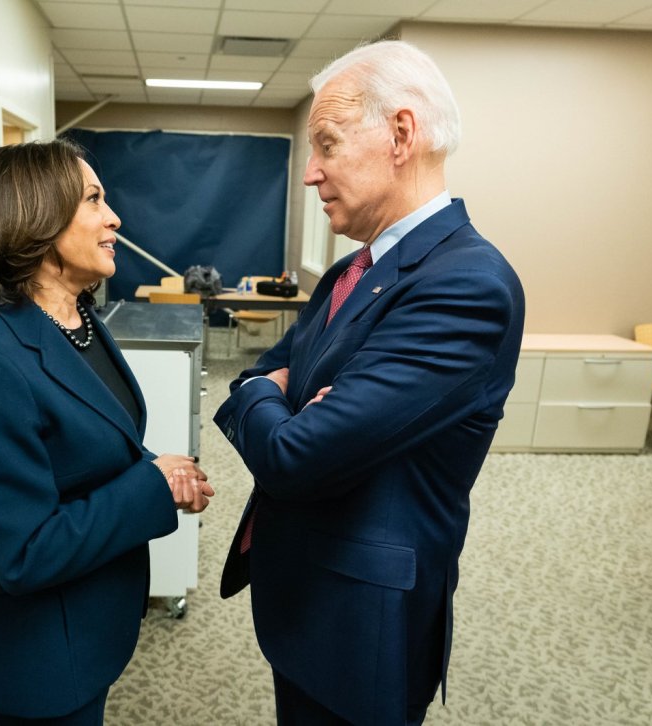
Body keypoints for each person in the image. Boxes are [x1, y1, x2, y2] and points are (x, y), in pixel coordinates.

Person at [214, 40, 525, 725]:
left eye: (326, 143)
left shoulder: (466, 284)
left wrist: (271, 399)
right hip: (305, 590)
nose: (311, 174)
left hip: (361, 623)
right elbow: (255, 379)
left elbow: (294, 456)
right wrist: (277, 394)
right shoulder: (350, 271)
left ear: (401, 134)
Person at [0, 139, 213, 725]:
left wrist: (155, 470)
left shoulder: (75, 318)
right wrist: (149, 489)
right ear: (36, 219)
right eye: (93, 200)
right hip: (35, 653)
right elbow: (23, 552)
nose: (114, 218)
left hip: (85, 623)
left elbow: (88, 435)